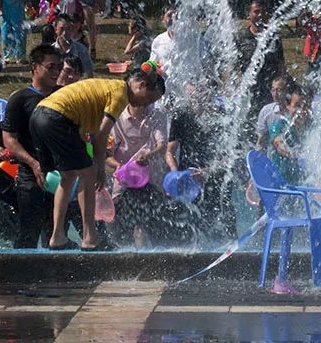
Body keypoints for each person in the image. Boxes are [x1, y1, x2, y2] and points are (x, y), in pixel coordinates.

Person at [30, 67, 165, 250]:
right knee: (88, 175)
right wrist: (100, 170)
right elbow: (101, 137)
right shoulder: (120, 93)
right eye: (149, 98)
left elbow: (93, 134)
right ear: (141, 85)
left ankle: (57, 237)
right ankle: (90, 237)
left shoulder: (104, 92)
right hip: (57, 117)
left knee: (68, 177)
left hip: (39, 116)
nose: (146, 104)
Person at [0, 45, 61, 248]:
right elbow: (9, 139)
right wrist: (33, 163)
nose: (56, 72)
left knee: (57, 230)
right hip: (29, 174)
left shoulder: (64, 95)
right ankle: (20, 276)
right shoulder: (20, 99)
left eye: (58, 66)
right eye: (51, 66)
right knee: (29, 231)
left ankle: (60, 276)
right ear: (35, 67)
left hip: (62, 174)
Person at [166, 83, 237, 242]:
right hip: (189, 179)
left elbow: (230, 155)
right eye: (193, 95)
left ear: (210, 94)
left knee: (224, 214)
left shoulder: (222, 117)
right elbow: (169, 151)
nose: (197, 99)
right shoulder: (181, 116)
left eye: (201, 94)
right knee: (191, 222)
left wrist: (208, 171)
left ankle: (235, 250)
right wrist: (176, 173)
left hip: (216, 177)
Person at [107, 99, 168, 246]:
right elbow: (106, 155)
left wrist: (149, 156)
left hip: (152, 183)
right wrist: (119, 167)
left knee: (156, 236)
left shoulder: (157, 115)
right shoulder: (115, 118)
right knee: (122, 240)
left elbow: (162, 146)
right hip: (123, 185)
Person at [237, 0, 286, 125]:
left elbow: (281, 63)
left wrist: (281, 86)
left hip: (270, 90)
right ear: (248, 14)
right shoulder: (241, 37)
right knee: (250, 124)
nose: (260, 15)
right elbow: (232, 65)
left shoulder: (272, 36)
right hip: (250, 91)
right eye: (256, 12)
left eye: (263, 12)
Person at [268, 82, 309, 185]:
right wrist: (295, 155)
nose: (301, 111)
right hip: (280, 184)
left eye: (304, 106)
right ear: (288, 107)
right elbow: (279, 145)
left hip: (299, 183)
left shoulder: (311, 127)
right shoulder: (279, 125)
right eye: (297, 106)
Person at [52, 13, 93, 77]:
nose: (64, 33)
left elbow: (89, 73)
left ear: (72, 29)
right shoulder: (50, 51)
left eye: (68, 29)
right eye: (61, 29)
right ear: (55, 29)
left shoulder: (81, 50)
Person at [256, 76, 287, 150]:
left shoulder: (294, 111)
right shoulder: (266, 111)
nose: (275, 94)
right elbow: (261, 140)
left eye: (279, 90)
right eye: (273, 90)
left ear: (286, 90)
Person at [149, 7, 175, 74]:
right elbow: (153, 61)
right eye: (170, 16)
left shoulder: (191, 40)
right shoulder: (158, 40)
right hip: (164, 82)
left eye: (177, 16)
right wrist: (150, 66)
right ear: (163, 19)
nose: (173, 19)